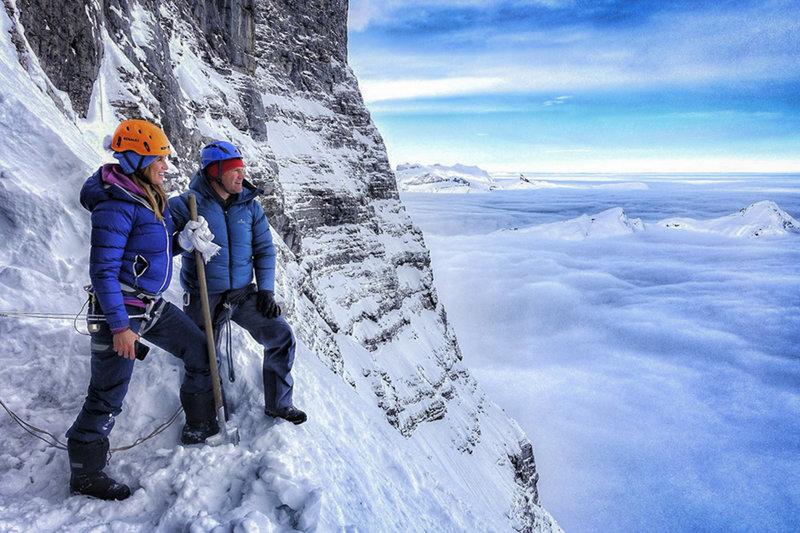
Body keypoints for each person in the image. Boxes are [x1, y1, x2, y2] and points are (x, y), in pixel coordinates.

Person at [67, 119, 221, 501]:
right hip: (118, 313)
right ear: (137, 158)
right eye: (159, 159)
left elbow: (148, 250)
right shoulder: (115, 204)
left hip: (148, 306)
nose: (165, 166)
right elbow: (102, 270)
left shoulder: (148, 194)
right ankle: (85, 473)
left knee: (199, 349)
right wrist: (120, 327)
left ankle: (199, 426)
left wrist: (182, 243)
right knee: (107, 394)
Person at [169, 141, 307, 425]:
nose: (241, 176)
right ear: (213, 172)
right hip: (204, 294)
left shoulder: (250, 207)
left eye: (242, 169)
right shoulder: (185, 205)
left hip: (244, 294)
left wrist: (266, 289)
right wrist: (181, 241)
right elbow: (158, 245)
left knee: (281, 336)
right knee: (203, 357)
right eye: (234, 170)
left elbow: (265, 249)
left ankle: (279, 405)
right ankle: (202, 421)